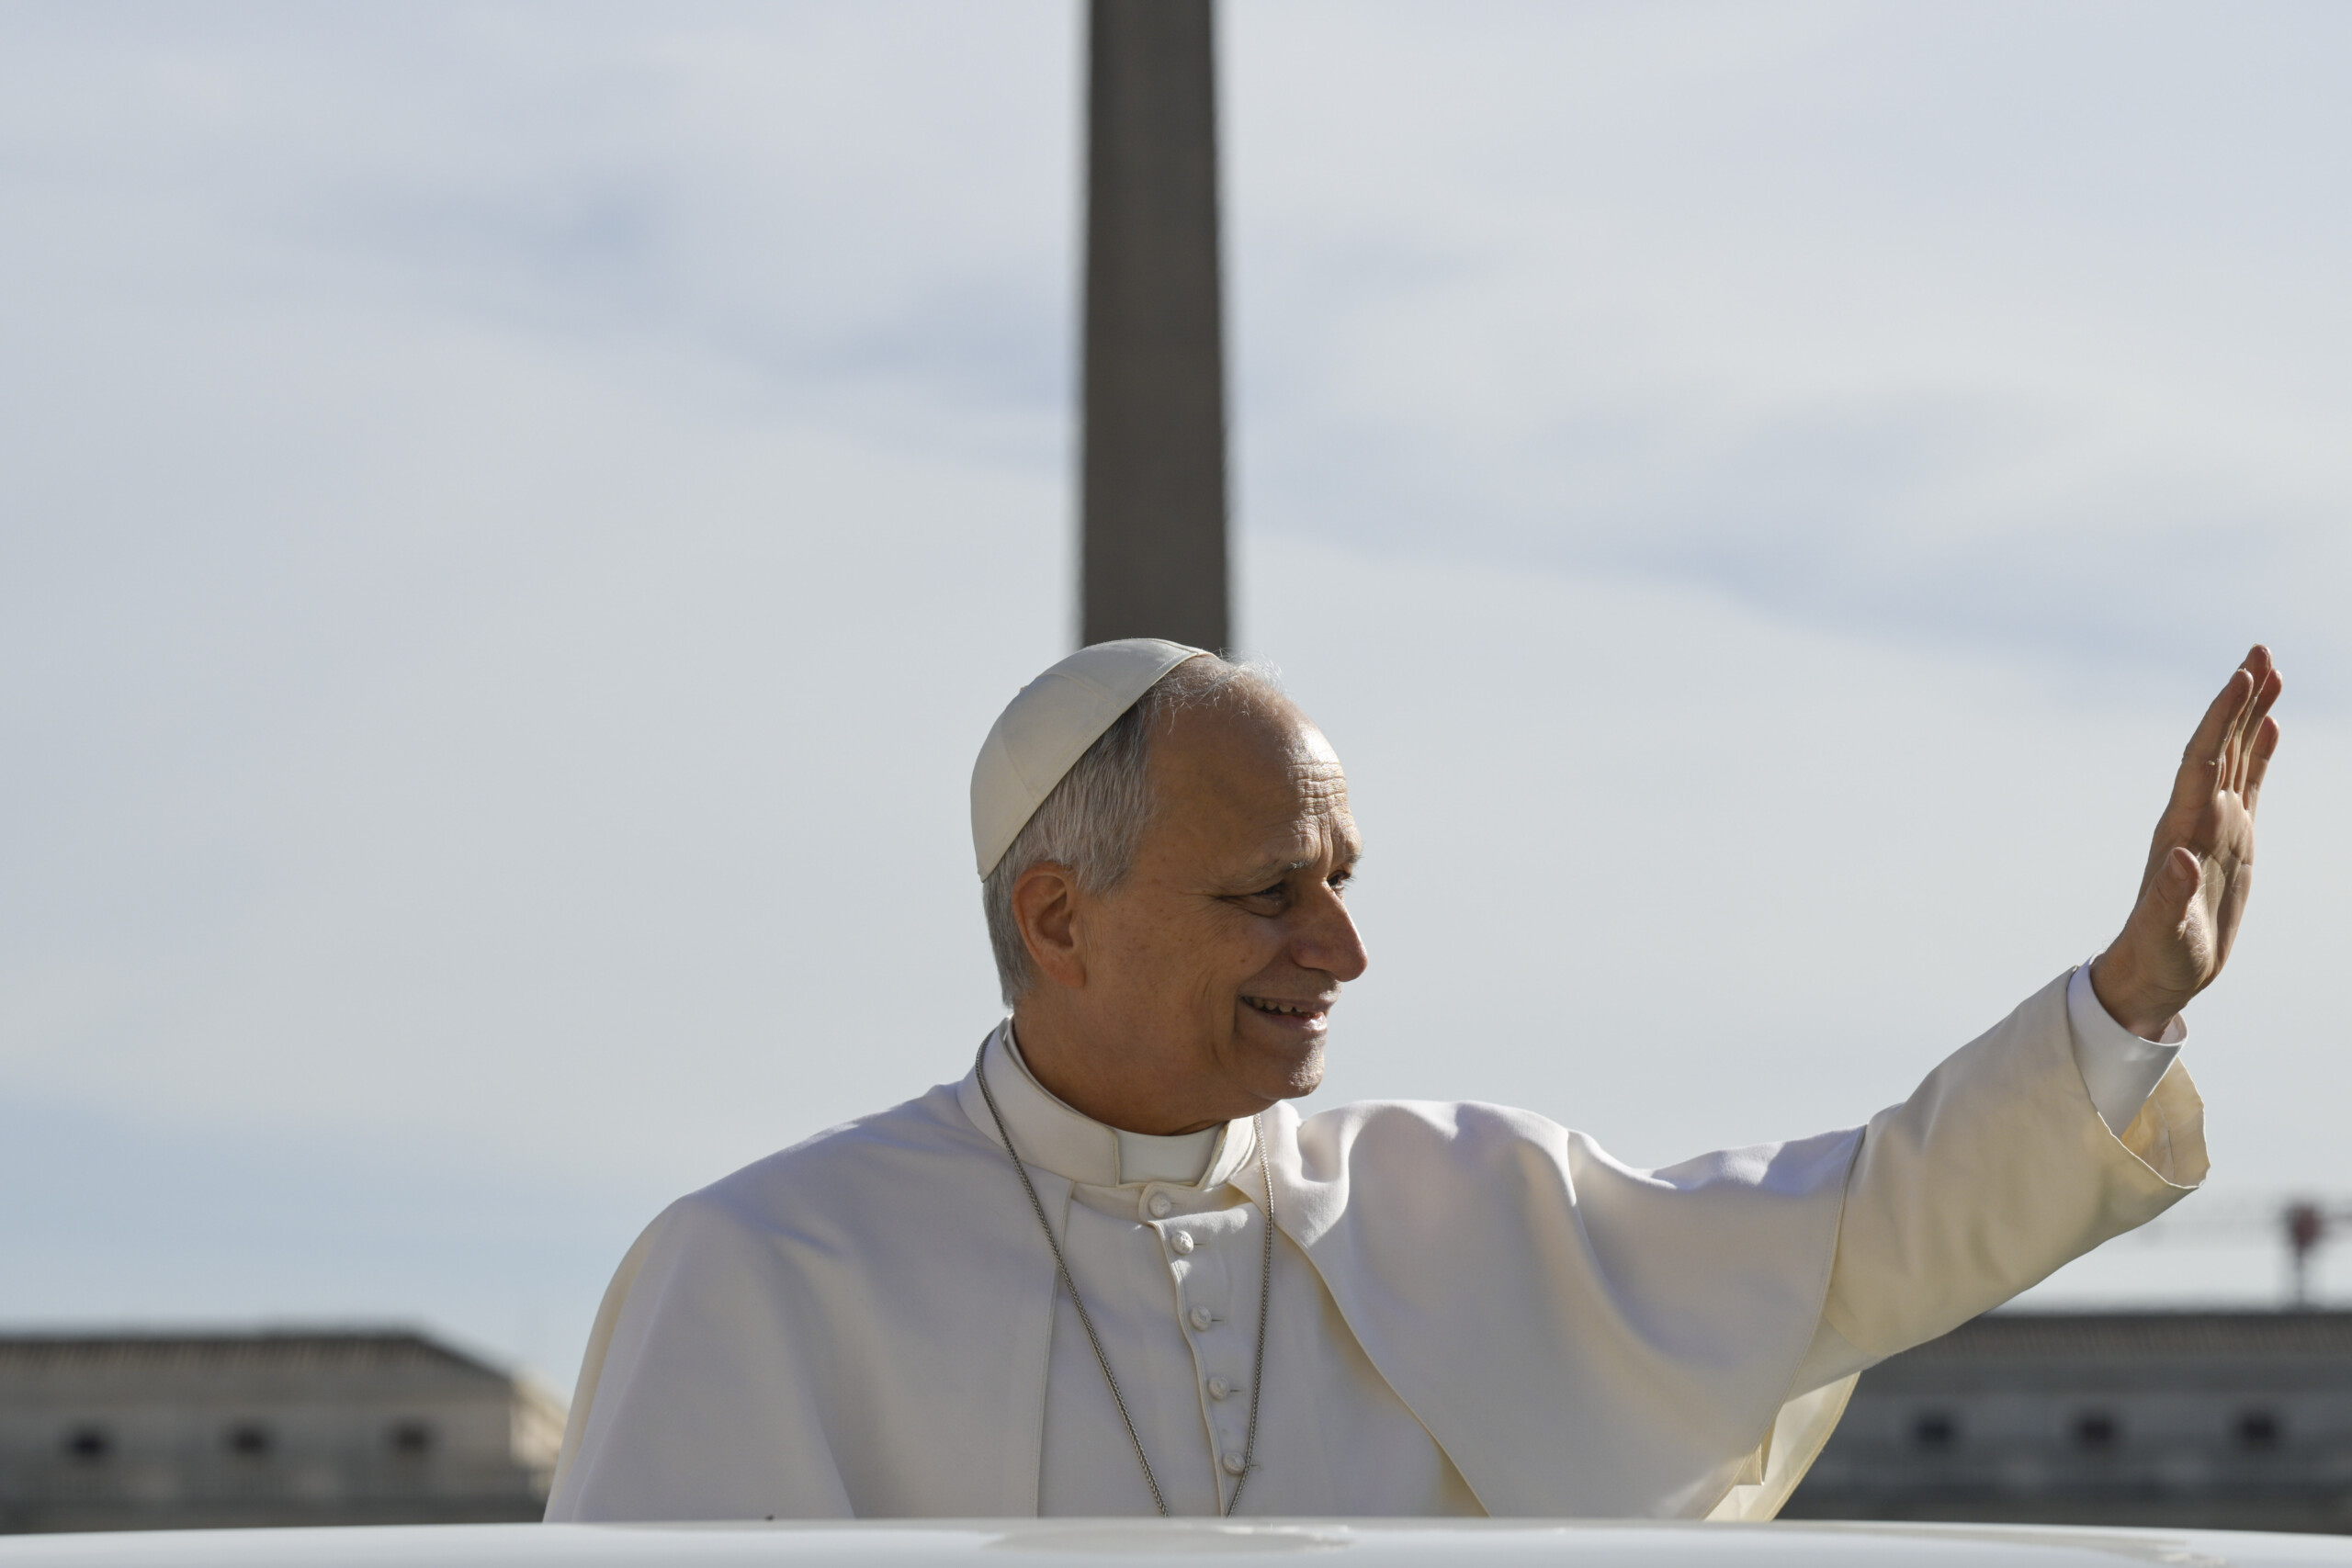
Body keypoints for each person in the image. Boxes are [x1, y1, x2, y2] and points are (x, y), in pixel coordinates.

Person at [544, 638, 2281, 1522]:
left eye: (1343, 882)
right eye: (1265, 896)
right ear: (1058, 918)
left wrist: (2127, 1003)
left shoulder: (1466, 1205)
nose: (1339, 954)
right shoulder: (766, 1276)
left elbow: (1861, 1235)